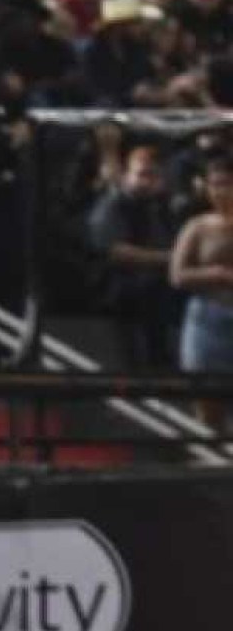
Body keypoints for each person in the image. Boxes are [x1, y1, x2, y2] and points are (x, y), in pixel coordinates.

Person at [88, 143, 181, 368]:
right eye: (141, 174)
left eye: (154, 175)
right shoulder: (113, 204)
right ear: (128, 174)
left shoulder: (162, 204)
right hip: (124, 293)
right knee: (131, 359)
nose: (147, 181)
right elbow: (116, 251)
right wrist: (169, 259)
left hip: (159, 293)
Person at [171, 153, 233, 434]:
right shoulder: (197, 226)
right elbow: (178, 275)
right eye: (216, 184)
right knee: (206, 400)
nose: (221, 191)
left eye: (228, 184)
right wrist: (217, 275)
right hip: (207, 315)